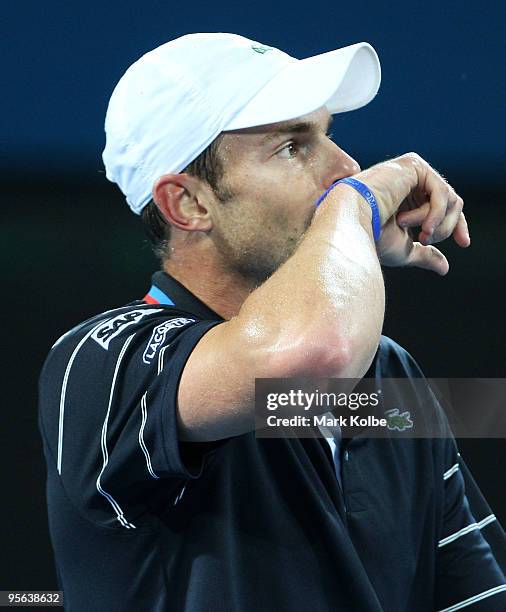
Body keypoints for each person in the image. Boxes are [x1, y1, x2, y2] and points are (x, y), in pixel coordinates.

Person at [38, 33, 505, 611]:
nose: (346, 167)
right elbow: (313, 355)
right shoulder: (101, 361)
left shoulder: (387, 376)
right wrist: (354, 205)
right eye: (293, 147)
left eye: (328, 137)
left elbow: (472, 594)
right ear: (188, 204)